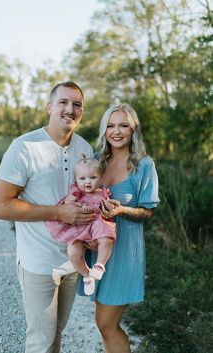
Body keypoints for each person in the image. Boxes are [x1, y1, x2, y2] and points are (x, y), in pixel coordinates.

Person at [0, 81, 94, 353]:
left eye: (77, 104)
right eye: (63, 102)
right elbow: (0, 206)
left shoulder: (85, 148)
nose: (70, 109)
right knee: (41, 342)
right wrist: (59, 212)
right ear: (49, 106)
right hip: (38, 263)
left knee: (55, 337)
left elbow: (87, 197)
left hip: (72, 262)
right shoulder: (24, 147)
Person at [79, 102, 160, 353]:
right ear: (104, 130)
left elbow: (148, 211)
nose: (116, 131)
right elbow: (82, 197)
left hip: (125, 253)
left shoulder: (144, 165)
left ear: (133, 130)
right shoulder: (94, 161)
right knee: (104, 323)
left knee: (106, 323)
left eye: (123, 125)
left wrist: (122, 210)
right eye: (111, 125)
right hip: (97, 252)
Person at [45, 155, 116, 296]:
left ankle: (100, 265)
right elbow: (67, 205)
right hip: (78, 226)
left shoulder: (103, 193)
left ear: (100, 178)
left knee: (107, 239)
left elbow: (107, 207)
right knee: (73, 253)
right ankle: (87, 275)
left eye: (93, 177)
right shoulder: (76, 192)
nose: (87, 182)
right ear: (76, 180)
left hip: (96, 224)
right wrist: (80, 206)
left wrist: (108, 205)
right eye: (82, 179)